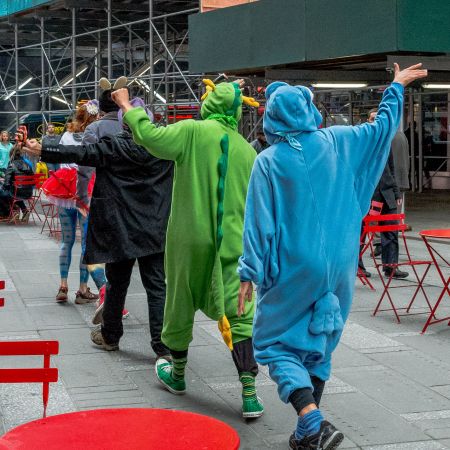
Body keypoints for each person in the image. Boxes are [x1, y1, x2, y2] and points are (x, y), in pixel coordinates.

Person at [237, 63, 427, 449]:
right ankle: (308, 436)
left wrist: (249, 271)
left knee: (274, 344)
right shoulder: (339, 140)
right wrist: (395, 86)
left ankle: (311, 419)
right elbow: (382, 129)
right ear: (309, 112)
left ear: (272, 118)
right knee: (319, 341)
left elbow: (259, 222)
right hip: (339, 265)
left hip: (294, 266)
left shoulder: (269, 162)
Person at [112, 78, 265, 419]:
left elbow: (150, 137)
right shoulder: (247, 150)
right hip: (232, 243)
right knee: (239, 314)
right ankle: (250, 392)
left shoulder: (192, 132)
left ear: (209, 104)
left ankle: (177, 375)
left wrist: (127, 106)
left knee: (179, 302)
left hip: (187, 240)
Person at [25, 97, 173, 358]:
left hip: (119, 226)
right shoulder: (165, 149)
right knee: (156, 285)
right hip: (154, 226)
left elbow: (80, 153)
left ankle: (110, 335)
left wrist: (44, 148)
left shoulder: (114, 146)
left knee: (117, 282)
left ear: (123, 124)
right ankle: (162, 346)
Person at [52, 102, 101, 304]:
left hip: (63, 189)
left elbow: (58, 162)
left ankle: (63, 285)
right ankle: (82, 289)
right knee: (86, 244)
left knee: (67, 241)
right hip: (84, 190)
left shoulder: (66, 135)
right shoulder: (92, 136)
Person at [368, 109, 409, 279]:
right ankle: (357, 266)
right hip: (370, 193)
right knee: (362, 231)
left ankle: (391, 266)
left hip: (387, 192)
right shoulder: (364, 141)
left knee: (391, 230)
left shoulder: (386, 141)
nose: (375, 121)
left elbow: (391, 167)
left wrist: (396, 191)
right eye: (372, 118)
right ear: (368, 121)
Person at [0, 127, 33, 221]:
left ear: (12, 155)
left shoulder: (11, 166)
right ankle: (24, 210)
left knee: (5, 192)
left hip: (17, 193)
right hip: (29, 193)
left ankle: (13, 212)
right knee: (13, 191)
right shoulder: (28, 165)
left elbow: (6, 184)